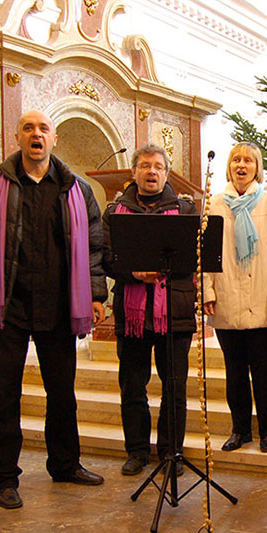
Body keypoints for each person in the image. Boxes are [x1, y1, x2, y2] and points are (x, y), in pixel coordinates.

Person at [0, 110, 107, 509]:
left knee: (62, 393)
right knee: (3, 395)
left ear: (54, 140)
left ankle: (65, 464)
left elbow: (93, 247)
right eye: (28, 128)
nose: (36, 135)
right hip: (8, 304)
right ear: (18, 138)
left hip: (58, 305)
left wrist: (95, 294)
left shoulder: (75, 187)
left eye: (43, 129)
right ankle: (3, 477)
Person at [101, 144, 198, 476]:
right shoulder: (114, 212)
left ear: (167, 173)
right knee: (132, 385)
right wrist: (134, 273)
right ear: (134, 173)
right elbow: (107, 260)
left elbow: (193, 262)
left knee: (175, 386)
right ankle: (137, 451)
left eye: (158, 167)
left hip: (175, 311)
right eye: (144, 166)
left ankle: (172, 452)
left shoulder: (186, 211)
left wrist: (164, 269)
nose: (151, 172)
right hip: (132, 315)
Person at [203, 142, 267, 453]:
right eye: (236, 160)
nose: (241, 165)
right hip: (227, 297)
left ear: (257, 167)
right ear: (229, 166)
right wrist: (207, 291)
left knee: (264, 372)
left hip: (263, 298)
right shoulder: (214, 204)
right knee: (235, 372)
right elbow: (207, 254)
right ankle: (240, 430)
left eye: (248, 161)